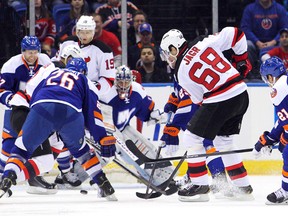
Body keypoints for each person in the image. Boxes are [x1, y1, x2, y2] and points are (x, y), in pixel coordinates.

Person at [0, 58, 117, 201]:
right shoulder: (85, 81)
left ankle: (6, 181)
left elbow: (31, 87)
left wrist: (38, 114)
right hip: (70, 113)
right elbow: (94, 114)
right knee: (82, 151)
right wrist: (101, 137)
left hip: (39, 107)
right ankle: (105, 186)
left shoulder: (50, 70)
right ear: (84, 72)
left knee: (21, 150)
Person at [159, 27, 253, 202]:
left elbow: (199, 100)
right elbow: (237, 33)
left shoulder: (180, 73)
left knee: (191, 139)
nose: (167, 59)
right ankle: (242, 186)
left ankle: (200, 186)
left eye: (167, 53)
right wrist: (241, 60)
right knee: (224, 141)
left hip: (221, 98)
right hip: (241, 93)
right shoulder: (203, 42)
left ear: (174, 48)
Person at [161, 81, 231, 198]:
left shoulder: (186, 70)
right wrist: (172, 103)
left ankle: (221, 183)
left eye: (173, 60)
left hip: (204, 111)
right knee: (197, 147)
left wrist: (173, 126)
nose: (171, 62)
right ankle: (192, 176)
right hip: (202, 111)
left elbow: (188, 100)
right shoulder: (177, 72)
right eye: (169, 60)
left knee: (207, 146)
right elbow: (178, 93)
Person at [0, 36, 51, 183]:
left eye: (35, 52)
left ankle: (34, 177)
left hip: (37, 109)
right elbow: (2, 89)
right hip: (16, 108)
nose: (32, 55)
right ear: (22, 51)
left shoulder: (46, 62)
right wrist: (11, 100)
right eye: (29, 52)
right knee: (10, 142)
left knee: (39, 141)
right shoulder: (11, 65)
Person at [252, 56, 288, 204]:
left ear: (270, 76)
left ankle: (286, 191)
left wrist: (281, 139)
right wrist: (268, 139)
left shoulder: (278, 89)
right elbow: (283, 121)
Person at [53, 15, 116, 98]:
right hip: (65, 89)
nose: (85, 35)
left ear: (93, 32)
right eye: (82, 32)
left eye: (88, 32)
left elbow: (108, 79)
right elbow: (56, 63)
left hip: (90, 93)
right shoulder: (67, 42)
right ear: (77, 31)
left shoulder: (104, 50)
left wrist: (93, 91)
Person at [240, 0, 288, 80]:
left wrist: (274, 41)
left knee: (285, 42)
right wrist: (257, 42)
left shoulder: (280, 9)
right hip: (255, 43)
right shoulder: (249, 9)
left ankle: (280, 76)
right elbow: (245, 28)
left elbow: (284, 28)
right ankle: (250, 74)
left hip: (275, 43)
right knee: (246, 44)